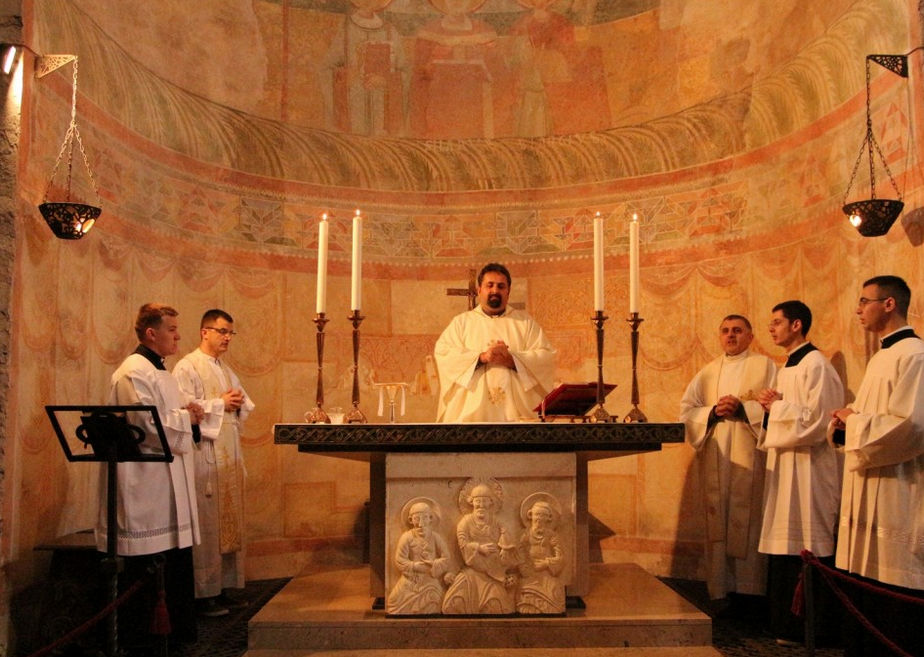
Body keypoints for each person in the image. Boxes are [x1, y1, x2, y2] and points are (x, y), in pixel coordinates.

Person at [99, 303, 203, 651]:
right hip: (145, 486)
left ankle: (174, 637)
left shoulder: (160, 371)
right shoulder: (133, 372)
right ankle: (144, 643)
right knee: (146, 568)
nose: (178, 336)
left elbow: (168, 415)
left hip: (166, 484)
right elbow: (145, 426)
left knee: (172, 563)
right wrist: (186, 418)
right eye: (171, 329)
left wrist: (189, 412)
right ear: (150, 333)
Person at [830, 276, 924, 657]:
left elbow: (912, 426)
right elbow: (869, 416)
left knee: (892, 581)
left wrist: (853, 422)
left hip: (899, 490)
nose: (858, 309)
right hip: (871, 483)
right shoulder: (882, 357)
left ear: (889, 304)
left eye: (864, 301)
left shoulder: (914, 355)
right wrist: (844, 423)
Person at [756, 300, 843, 646]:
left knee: (808, 541)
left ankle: (812, 629)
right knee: (784, 543)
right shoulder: (788, 366)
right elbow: (790, 414)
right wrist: (770, 408)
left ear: (797, 325)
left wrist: (776, 407)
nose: (771, 328)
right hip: (786, 467)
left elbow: (819, 421)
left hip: (810, 471)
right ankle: (784, 624)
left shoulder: (816, 364)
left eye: (777, 322)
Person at [679, 314, 777, 603]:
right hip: (717, 457)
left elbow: (779, 408)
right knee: (718, 519)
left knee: (749, 518)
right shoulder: (708, 372)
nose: (731, 335)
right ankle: (721, 591)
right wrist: (712, 412)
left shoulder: (765, 366)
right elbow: (686, 411)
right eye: (725, 331)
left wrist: (744, 410)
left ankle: (751, 592)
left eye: (737, 330)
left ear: (750, 336)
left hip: (752, 458)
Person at [173, 309, 254, 617]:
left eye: (231, 333)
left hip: (228, 456)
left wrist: (237, 403)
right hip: (205, 456)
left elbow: (243, 403)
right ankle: (203, 594)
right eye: (222, 331)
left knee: (228, 525)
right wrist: (221, 403)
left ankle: (223, 588)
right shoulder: (187, 366)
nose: (227, 338)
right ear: (204, 332)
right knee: (208, 527)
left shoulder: (225, 369)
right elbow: (183, 409)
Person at [434, 263, 557, 422]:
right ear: (479, 290)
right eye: (489, 285)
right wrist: (482, 358)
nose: (495, 290)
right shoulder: (461, 323)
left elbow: (545, 356)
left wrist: (513, 360)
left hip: (516, 415)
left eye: (501, 286)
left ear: (508, 291)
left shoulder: (525, 323)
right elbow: (444, 354)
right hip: (472, 416)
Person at [442, 480, 519, 614]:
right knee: (454, 603)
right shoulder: (465, 522)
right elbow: (463, 544)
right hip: (472, 571)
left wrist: (504, 549)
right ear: (471, 502)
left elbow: (507, 541)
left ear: (490, 503)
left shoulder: (497, 522)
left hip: (493, 573)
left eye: (484, 501)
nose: (481, 505)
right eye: (478, 501)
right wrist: (479, 547)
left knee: (498, 606)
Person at [386, 499, 453, 615]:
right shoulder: (407, 537)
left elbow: (446, 557)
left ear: (430, 519)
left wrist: (433, 564)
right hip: (410, 579)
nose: (421, 524)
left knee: (435, 599)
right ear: (410, 520)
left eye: (425, 518)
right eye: (417, 519)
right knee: (393, 602)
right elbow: (399, 559)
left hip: (429, 579)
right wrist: (414, 566)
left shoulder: (435, 537)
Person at [516, 497, 565, 614]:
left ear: (548, 518)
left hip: (546, 573)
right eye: (537, 514)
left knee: (554, 589)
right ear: (530, 515)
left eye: (543, 515)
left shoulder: (552, 536)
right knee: (524, 589)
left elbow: (561, 558)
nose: (539, 518)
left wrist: (546, 563)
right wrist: (524, 568)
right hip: (529, 572)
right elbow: (520, 552)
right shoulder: (526, 535)